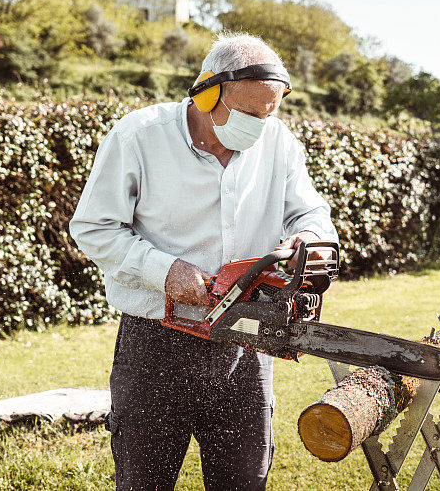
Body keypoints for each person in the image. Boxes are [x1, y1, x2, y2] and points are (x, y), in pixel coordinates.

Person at [69, 33, 338, 490]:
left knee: (244, 481)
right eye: (249, 113)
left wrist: (307, 238)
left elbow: (311, 212)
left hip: (247, 344)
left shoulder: (278, 143)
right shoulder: (139, 137)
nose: (259, 125)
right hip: (155, 344)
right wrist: (165, 271)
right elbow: (93, 228)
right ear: (207, 92)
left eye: (269, 113)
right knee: (143, 482)